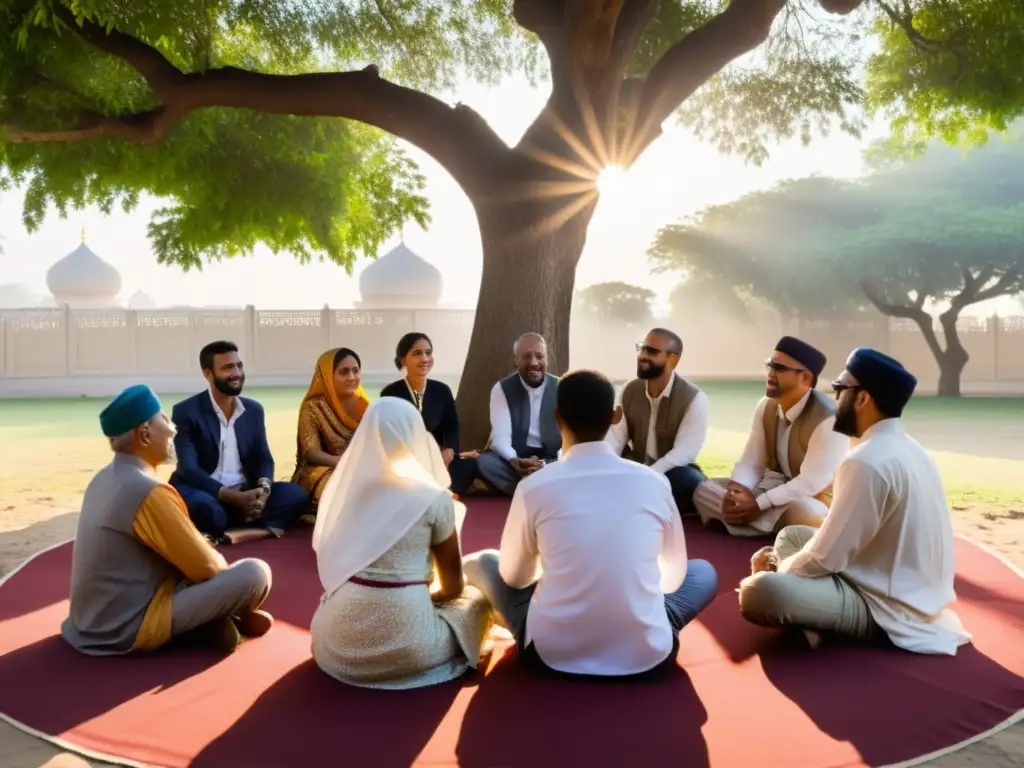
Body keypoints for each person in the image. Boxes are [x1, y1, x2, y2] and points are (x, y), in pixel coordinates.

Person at [464, 369, 719, 679]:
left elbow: (515, 579)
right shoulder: (654, 482)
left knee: (487, 563)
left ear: (557, 417)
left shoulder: (534, 487)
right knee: (703, 572)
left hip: (550, 655)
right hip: (649, 654)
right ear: (615, 416)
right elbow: (672, 578)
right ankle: (643, 624)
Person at [738, 349, 972, 655]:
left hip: (885, 605)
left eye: (839, 390)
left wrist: (775, 570)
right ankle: (810, 621)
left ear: (862, 399)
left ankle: (809, 617)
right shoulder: (909, 448)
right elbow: (836, 542)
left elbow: (826, 559)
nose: (835, 401)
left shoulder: (866, 460)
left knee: (759, 592)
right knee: (792, 535)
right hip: (892, 577)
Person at [62, 385, 273, 656]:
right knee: (254, 573)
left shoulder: (103, 477)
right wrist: (215, 564)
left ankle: (216, 620)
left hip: (89, 621)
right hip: (126, 626)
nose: (173, 429)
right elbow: (208, 567)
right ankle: (213, 620)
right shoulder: (146, 490)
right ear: (145, 434)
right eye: (164, 420)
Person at [310, 397, 492, 689]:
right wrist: (420, 598)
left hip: (337, 644)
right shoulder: (434, 497)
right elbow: (453, 586)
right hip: (412, 645)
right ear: (416, 436)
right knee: (476, 600)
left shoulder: (349, 494)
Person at [693, 336, 850, 537]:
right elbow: (751, 462)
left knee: (807, 513)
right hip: (770, 490)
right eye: (770, 366)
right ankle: (758, 522)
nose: (771, 374)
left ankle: (746, 520)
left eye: (780, 368)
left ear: (806, 379)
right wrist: (737, 491)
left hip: (810, 498)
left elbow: (810, 483)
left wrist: (758, 505)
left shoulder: (828, 420)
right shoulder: (766, 406)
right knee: (704, 490)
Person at [169, 340, 309, 543]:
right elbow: (189, 470)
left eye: (239, 365)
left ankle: (246, 528)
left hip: (245, 491)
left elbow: (263, 458)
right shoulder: (186, 411)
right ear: (208, 374)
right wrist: (232, 497)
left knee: (296, 495)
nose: (236, 373)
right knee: (206, 510)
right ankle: (250, 522)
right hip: (205, 492)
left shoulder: (253, 410)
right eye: (227, 368)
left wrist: (263, 491)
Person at [605, 328, 709, 517]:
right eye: (641, 349)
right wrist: (604, 466)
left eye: (651, 351)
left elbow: (684, 453)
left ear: (673, 360)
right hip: (634, 470)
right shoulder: (630, 390)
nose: (642, 356)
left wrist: (649, 476)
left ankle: (633, 504)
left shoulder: (694, 398)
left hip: (669, 474)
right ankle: (646, 506)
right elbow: (615, 440)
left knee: (690, 479)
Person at [380, 332, 476, 495]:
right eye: (417, 354)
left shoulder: (442, 390)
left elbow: (452, 427)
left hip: (440, 457)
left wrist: (450, 451)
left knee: (469, 466)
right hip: (405, 459)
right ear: (404, 360)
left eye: (428, 353)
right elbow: (390, 436)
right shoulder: (390, 393)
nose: (425, 359)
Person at [476, 332, 561, 496]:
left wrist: (547, 464)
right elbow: (500, 436)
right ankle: (542, 488)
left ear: (546, 360)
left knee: (568, 464)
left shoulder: (563, 387)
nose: (534, 363)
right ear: (516, 361)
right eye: (527, 356)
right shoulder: (502, 389)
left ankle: (523, 489)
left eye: (539, 356)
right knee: (484, 462)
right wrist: (513, 460)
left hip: (551, 459)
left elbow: (568, 437)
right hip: (516, 460)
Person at [291, 347, 370, 514]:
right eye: (344, 372)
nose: (352, 377)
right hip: (323, 469)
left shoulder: (365, 404)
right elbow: (311, 452)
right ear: (327, 376)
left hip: (359, 467)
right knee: (340, 492)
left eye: (356, 371)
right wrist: (339, 462)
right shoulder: (312, 407)